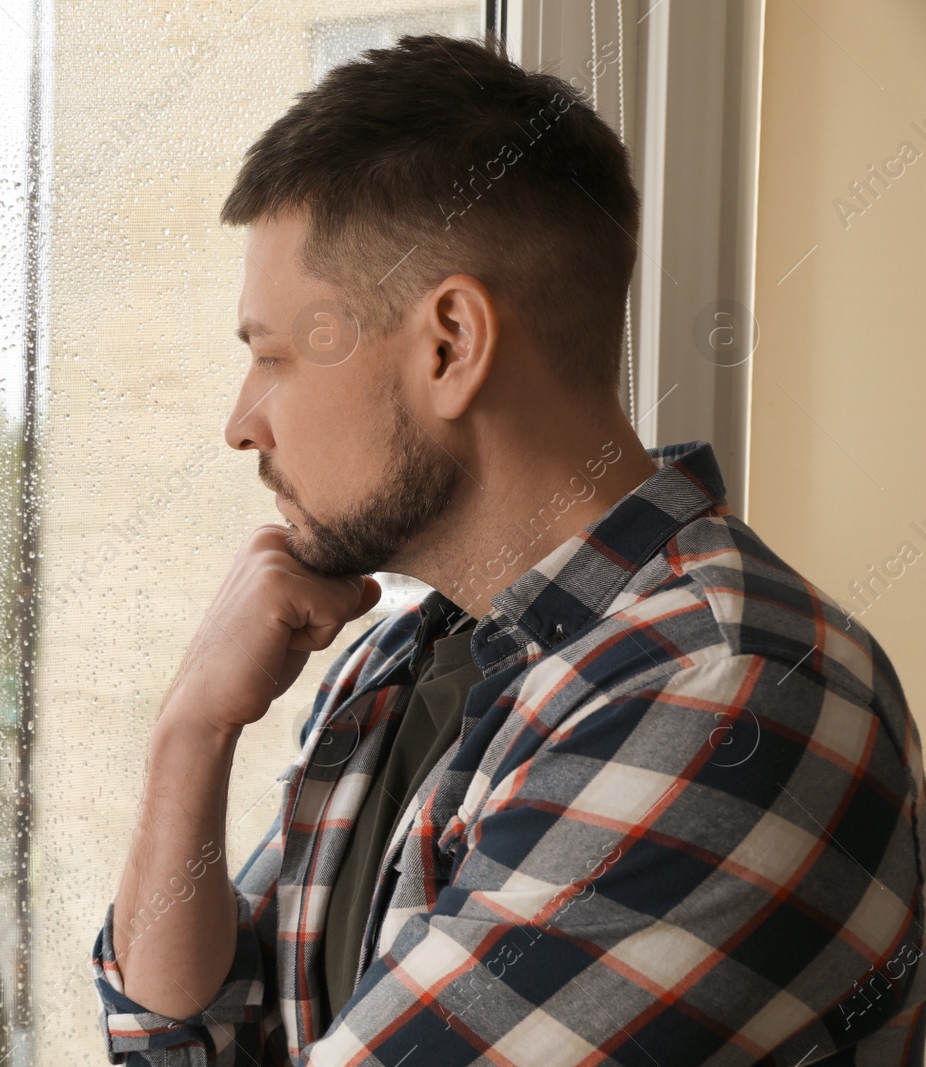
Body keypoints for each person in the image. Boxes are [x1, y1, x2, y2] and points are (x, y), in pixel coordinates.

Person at [90, 34, 925, 1066]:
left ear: (449, 344)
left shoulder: (725, 694)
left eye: (272, 355)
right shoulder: (400, 661)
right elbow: (183, 1042)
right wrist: (188, 734)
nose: (241, 422)